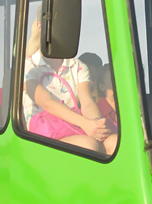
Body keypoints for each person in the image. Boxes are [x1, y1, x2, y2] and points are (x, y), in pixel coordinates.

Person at [23, 18, 116, 154]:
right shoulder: (28, 67)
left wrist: (96, 124)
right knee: (89, 145)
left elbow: (87, 102)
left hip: (75, 127)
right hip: (42, 138)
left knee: (116, 142)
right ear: (40, 26)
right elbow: (48, 103)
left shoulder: (78, 66)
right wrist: (84, 123)